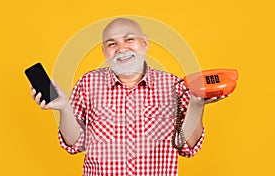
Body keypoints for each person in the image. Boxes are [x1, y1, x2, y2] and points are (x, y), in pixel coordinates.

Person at [30, 18, 226, 176]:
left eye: (129, 39)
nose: (122, 49)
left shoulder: (173, 85)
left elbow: (187, 146)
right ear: (104, 52)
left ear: (145, 43)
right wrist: (64, 108)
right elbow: (75, 144)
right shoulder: (88, 84)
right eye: (112, 44)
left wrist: (197, 105)